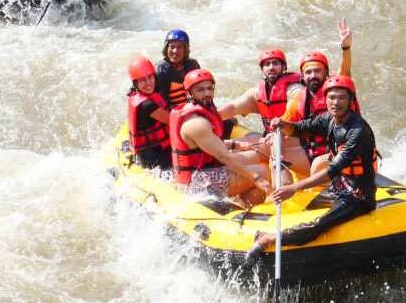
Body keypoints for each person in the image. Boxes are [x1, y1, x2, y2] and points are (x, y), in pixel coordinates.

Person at [247, 75, 379, 256]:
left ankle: (271, 238)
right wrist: (283, 124)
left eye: (342, 98)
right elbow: (301, 128)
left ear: (350, 100)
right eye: (332, 98)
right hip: (339, 187)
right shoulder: (329, 120)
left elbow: (332, 170)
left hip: (358, 196)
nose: (336, 102)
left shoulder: (357, 132)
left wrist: (294, 187)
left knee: (318, 224)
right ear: (325, 99)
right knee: (301, 209)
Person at [170, 69, 275, 206]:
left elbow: (204, 146)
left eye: (209, 88)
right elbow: (225, 157)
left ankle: (241, 199)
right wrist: (257, 179)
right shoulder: (196, 123)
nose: (207, 93)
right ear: (189, 93)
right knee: (263, 172)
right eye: (200, 90)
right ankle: (247, 208)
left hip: (202, 171)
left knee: (256, 157)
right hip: (196, 182)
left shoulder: (196, 111)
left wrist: (235, 145)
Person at [218, 49, 309, 174]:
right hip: (270, 143)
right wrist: (209, 118)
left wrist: (280, 128)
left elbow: (294, 110)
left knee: (237, 149)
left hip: (297, 146)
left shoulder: (295, 89)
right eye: (267, 64)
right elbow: (232, 108)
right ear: (262, 69)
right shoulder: (257, 93)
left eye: (276, 63)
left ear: (284, 67)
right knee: (249, 143)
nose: (271, 67)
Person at [280, 19, 355, 168]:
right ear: (302, 76)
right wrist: (276, 131)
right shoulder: (300, 99)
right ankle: (279, 190)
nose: (313, 75)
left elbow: (345, 72)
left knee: (317, 165)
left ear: (326, 73)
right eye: (308, 72)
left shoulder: (336, 91)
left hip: (344, 152)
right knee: (276, 155)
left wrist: (345, 47)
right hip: (315, 152)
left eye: (318, 71)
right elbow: (286, 124)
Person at [126, 56, 171, 170]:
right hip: (152, 157)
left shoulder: (137, 95)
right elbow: (173, 120)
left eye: (150, 77)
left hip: (151, 150)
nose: (148, 83)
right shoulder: (147, 105)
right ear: (136, 83)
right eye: (142, 80)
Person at [155, 29, 201, 109]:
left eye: (179, 47)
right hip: (173, 112)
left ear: (185, 49)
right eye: (172, 47)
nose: (175, 51)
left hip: (192, 107)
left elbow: (202, 90)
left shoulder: (193, 65)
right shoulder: (161, 70)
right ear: (166, 49)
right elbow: (162, 102)